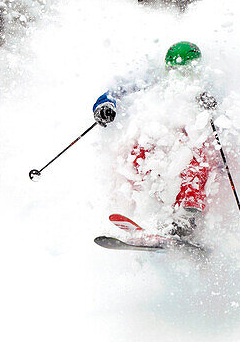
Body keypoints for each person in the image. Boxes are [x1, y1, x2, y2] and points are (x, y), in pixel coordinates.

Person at [92, 41, 218, 240]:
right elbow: (115, 92)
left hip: (190, 143)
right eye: (174, 69)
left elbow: (229, 123)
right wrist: (105, 105)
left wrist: (213, 108)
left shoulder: (208, 86)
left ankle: (187, 216)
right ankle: (134, 209)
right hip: (161, 137)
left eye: (186, 70)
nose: (180, 75)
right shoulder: (154, 81)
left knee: (195, 160)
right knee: (137, 153)